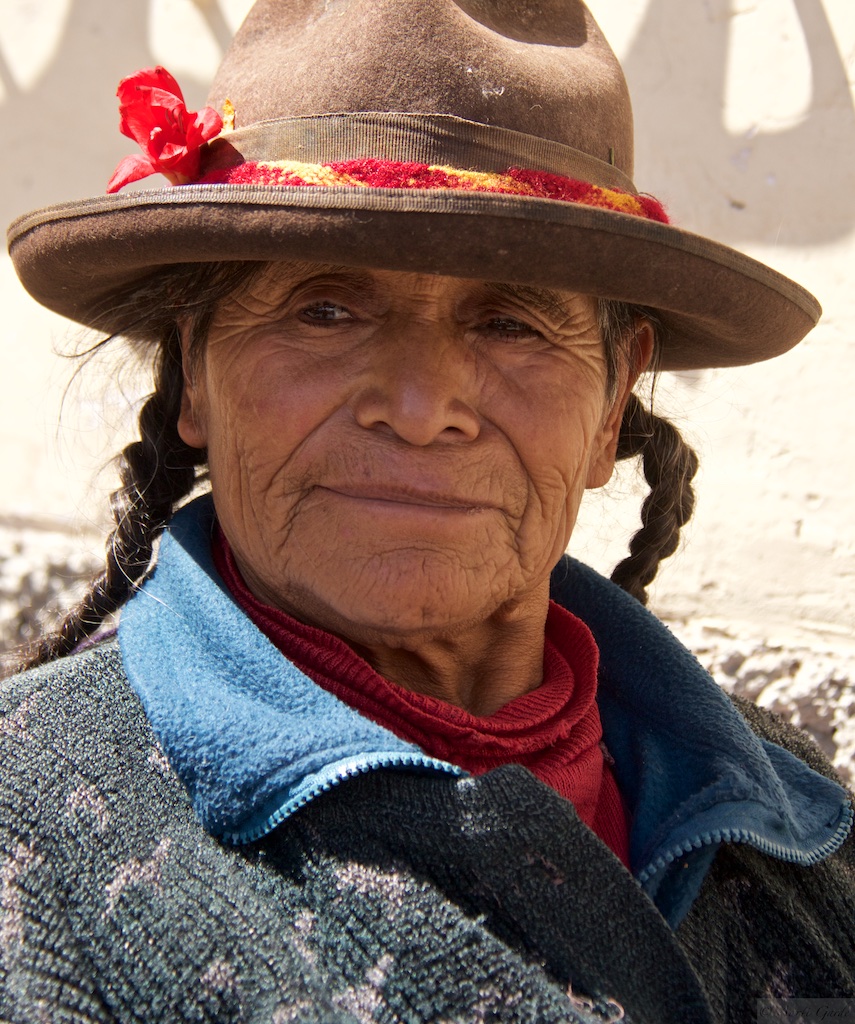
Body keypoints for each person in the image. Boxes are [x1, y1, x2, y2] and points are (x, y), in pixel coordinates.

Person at [2, 1, 853, 1021]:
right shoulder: (30, 833)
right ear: (192, 368)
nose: (418, 408)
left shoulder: (794, 817)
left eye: (508, 322)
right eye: (325, 308)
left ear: (611, 404)